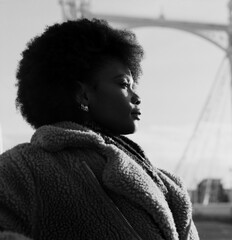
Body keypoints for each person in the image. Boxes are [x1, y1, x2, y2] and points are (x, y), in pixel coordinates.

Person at [0, 19, 200, 240]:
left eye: (134, 86)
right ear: (83, 94)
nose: (137, 97)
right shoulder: (20, 171)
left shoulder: (167, 182)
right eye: (123, 84)